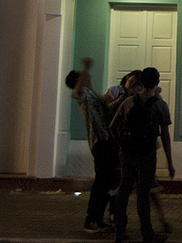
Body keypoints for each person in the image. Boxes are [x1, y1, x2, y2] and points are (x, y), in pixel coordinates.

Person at [109, 66, 175, 243]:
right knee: (144, 194)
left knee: (124, 190)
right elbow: (166, 135)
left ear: (141, 82)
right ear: (157, 83)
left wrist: (122, 144)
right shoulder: (160, 105)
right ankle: (147, 232)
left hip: (128, 152)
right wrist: (169, 162)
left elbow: (112, 126)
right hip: (147, 153)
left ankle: (119, 231)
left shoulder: (128, 102)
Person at [64, 58, 118, 234]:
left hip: (106, 141)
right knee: (101, 183)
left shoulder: (92, 93)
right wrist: (85, 68)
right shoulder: (84, 95)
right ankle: (91, 220)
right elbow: (76, 93)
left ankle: (99, 219)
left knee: (106, 182)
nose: (88, 76)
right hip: (99, 142)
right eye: (83, 76)